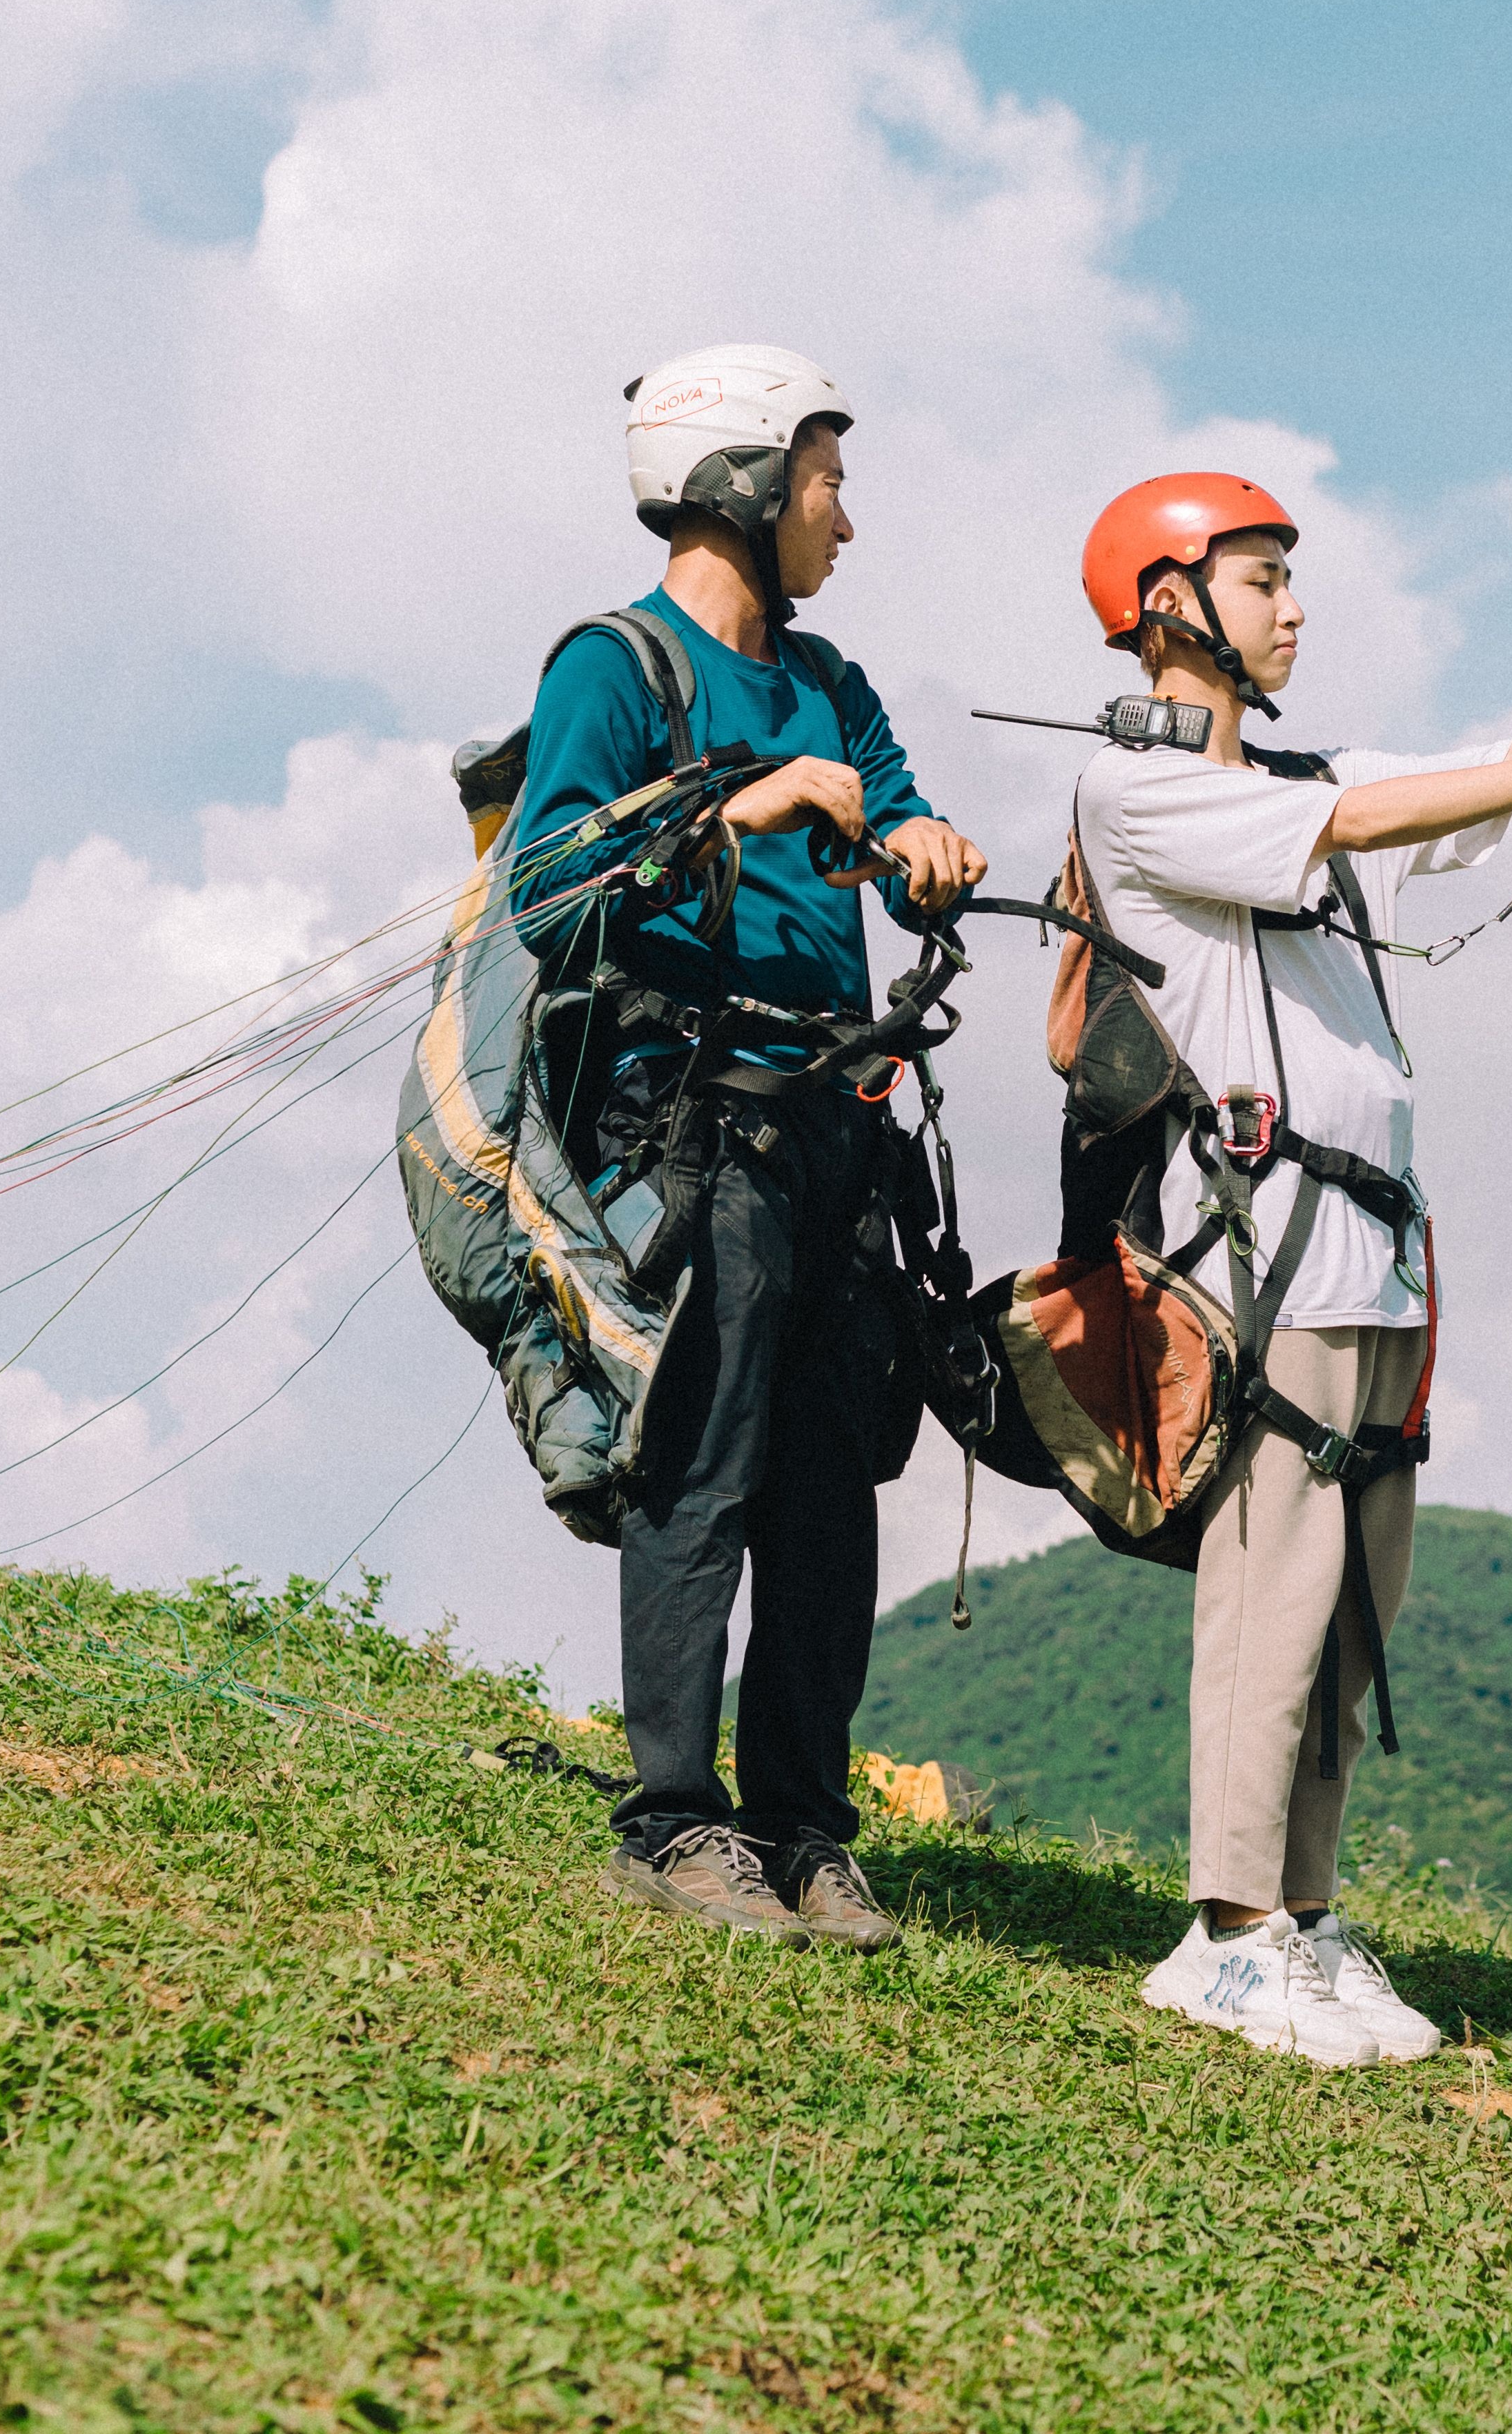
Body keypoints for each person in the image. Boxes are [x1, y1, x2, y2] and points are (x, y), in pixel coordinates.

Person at [1067, 473, 1512, 2065]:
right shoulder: (1139, 793)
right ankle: (1225, 1930)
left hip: (1368, 1245)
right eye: (1261, 579)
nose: (1294, 605)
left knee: (1354, 1594)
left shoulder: (1309, 770)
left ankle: (1305, 1917)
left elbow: (1486, 772)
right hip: (1252, 1243)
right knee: (1272, 1580)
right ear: (1173, 606)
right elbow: (1369, 818)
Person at [513, 344, 987, 1948]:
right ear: (741, 479)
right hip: (694, 1121)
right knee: (699, 1461)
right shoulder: (613, 663)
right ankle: (671, 1818)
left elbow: (899, 814)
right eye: (827, 477)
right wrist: (740, 814)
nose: (843, 517)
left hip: (839, 1120)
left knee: (828, 1483)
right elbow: (550, 889)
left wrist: (918, 848)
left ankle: (801, 1823)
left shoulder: (831, 677)